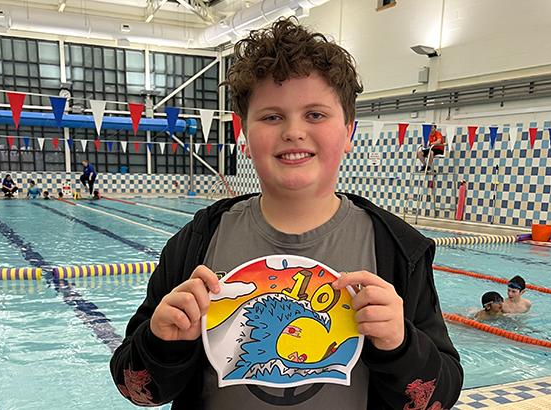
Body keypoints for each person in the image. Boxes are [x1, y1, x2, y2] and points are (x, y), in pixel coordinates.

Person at [110, 18, 462, 410]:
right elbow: (135, 390)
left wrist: (401, 345)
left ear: (349, 131)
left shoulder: (398, 251)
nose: (294, 131)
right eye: (272, 116)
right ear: (245, 135)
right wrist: (161, 343)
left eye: (315, 115)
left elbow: (440, 398)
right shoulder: (196, 244)